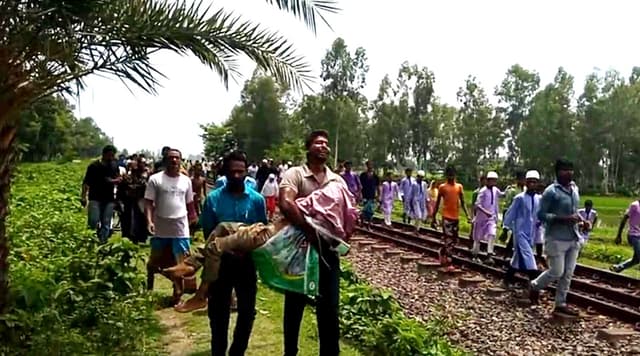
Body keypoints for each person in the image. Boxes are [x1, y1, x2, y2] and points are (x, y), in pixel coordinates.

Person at [166, 178, 357, 314]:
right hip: (266, 230)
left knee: (218, 245)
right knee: (223, 227)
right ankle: (190, 264)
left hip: (269, 237)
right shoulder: (330, 210)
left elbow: (296, 207)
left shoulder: (326, 206)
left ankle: (201, 294)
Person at [279, 129, 345, 356]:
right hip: (300, 251)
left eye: (326, 143)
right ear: (308, 148)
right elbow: (286, 204)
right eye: (318, 143)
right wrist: (311, 231)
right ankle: (290, 352)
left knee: (329, 309)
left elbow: (347, 212)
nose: (324, 146)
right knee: (294, 306)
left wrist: (342, 238)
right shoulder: (295, 175)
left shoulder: (337, 180)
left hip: (328, 252)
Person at [199, 150, 267, 356]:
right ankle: (218, 351)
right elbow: (209, 234)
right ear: (225, 172)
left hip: (246, 263)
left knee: (247, 312)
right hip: (220, 264)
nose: (237, 176)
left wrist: (246, 247)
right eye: (232, 171)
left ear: (246, 172)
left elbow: (261, 230)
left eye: (241, 171)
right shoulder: (213, 200)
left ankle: (237, 351)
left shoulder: (257, 200)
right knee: (218, 313)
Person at [529, 159, 584, 316]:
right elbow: (541, 214)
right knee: (556, 271)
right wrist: (562, 219)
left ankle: (560, 303)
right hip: (556, 238)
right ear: (558, 172)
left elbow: (574, 211)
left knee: (568, 273)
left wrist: (582, 220)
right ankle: (534, 286)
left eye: (570, 169)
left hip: (573, 237)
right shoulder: (551, 192)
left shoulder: (574, 189)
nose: (569, 173)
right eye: (565, 170)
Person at [144, 148, 195, 304]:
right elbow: (148, 202)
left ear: (181, 160)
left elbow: (190, 203)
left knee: (180, 262)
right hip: (161, 226)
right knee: (155, 262)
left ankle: (177, 293)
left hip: (180, 227)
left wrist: (193, 219)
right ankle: (149, 288)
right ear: (165, 160)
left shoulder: (186, 181)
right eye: (171, 158)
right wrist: (149, 221)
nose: (174, 161)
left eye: (177, 158)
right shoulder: (155, 179)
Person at [502, 170, 542, 287]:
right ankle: (535, 284)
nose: (532, 184)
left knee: (516, 259)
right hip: (520, 233)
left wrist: (540, 223)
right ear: (526, 182)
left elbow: (538, 215)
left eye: (534, 182)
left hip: (531, 234)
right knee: (529, 258)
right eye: (530, 182)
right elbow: (511, 213)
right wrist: (505, 229)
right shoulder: (519, 198)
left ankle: (507, 280)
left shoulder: (539, 199)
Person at [81, 145, 122, 244]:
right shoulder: (93, 166)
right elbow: (86, 182)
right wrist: (83, 196)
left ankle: (103, 243)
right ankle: (91, 242)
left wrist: (115, 181)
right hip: (95, 197)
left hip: (109, 198)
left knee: (106, 222)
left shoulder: (114, 165)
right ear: (104, 154)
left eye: (113, 155)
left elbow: (119, 178)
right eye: (110, 155)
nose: (111, 158)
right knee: (93, 221)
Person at [431, 165, 469, 265]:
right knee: (448, 239)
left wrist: (467, 215)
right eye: (449, 175)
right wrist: (433, 217)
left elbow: (463, 202)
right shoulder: (442, 187)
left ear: (455, 175)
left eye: (453, 175)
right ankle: (449, 260)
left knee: (455, 240)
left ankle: (443, 251)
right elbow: (438, 202)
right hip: (446, 216)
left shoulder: (459, 187)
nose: (451, 177)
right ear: (447, 176)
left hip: (455, 216)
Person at [472, 171, 502, 263]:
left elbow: (501, 195)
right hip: (481, 218)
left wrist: (509, 191)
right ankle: (475, 256)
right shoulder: (483, 191)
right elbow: (477, 204)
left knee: (492, 234)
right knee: (477, 238)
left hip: (491, 218)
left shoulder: (495, 190)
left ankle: (489, 255)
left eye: (494, 181)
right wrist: (486, 212)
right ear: (487, 181)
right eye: (491, 180)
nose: (492, 182)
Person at [116, 157, 149, 244]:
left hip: (140, 202)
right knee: (127, 222)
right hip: (128, 203)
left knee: (140, 221)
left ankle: (140, 239)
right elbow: (120, 192)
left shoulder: (144, 179)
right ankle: (128, 239)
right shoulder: (126, 178)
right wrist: (119, 203)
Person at [499, 171, 526, 255]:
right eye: (521, 179)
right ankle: (508, 252)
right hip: (513, 214)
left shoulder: (525, 189)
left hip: (521, 215)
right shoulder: (512, 190)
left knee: (516, 234)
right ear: (518, 180)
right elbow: (507, 205)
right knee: (514, 234)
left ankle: (509, 252)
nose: (523, 181)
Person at [610, 199, 640, 273]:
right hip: (634, 235)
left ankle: (618, 267)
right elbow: (624, 219)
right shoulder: (634, 205)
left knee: (636, 259)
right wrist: (619, 235)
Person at [359, 160, 380, 229]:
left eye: (371, 165)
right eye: (368, 165)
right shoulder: (363, 175)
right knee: (364, 210)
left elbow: (377, 186)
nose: (370, 166)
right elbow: (360, 186)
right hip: (364, 195)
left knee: (371, 212)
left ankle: (368, 225)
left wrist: (378, 195)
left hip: (372, 196)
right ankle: (362, 223)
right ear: (366, 166)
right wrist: (360, 195)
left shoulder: (375, 176)